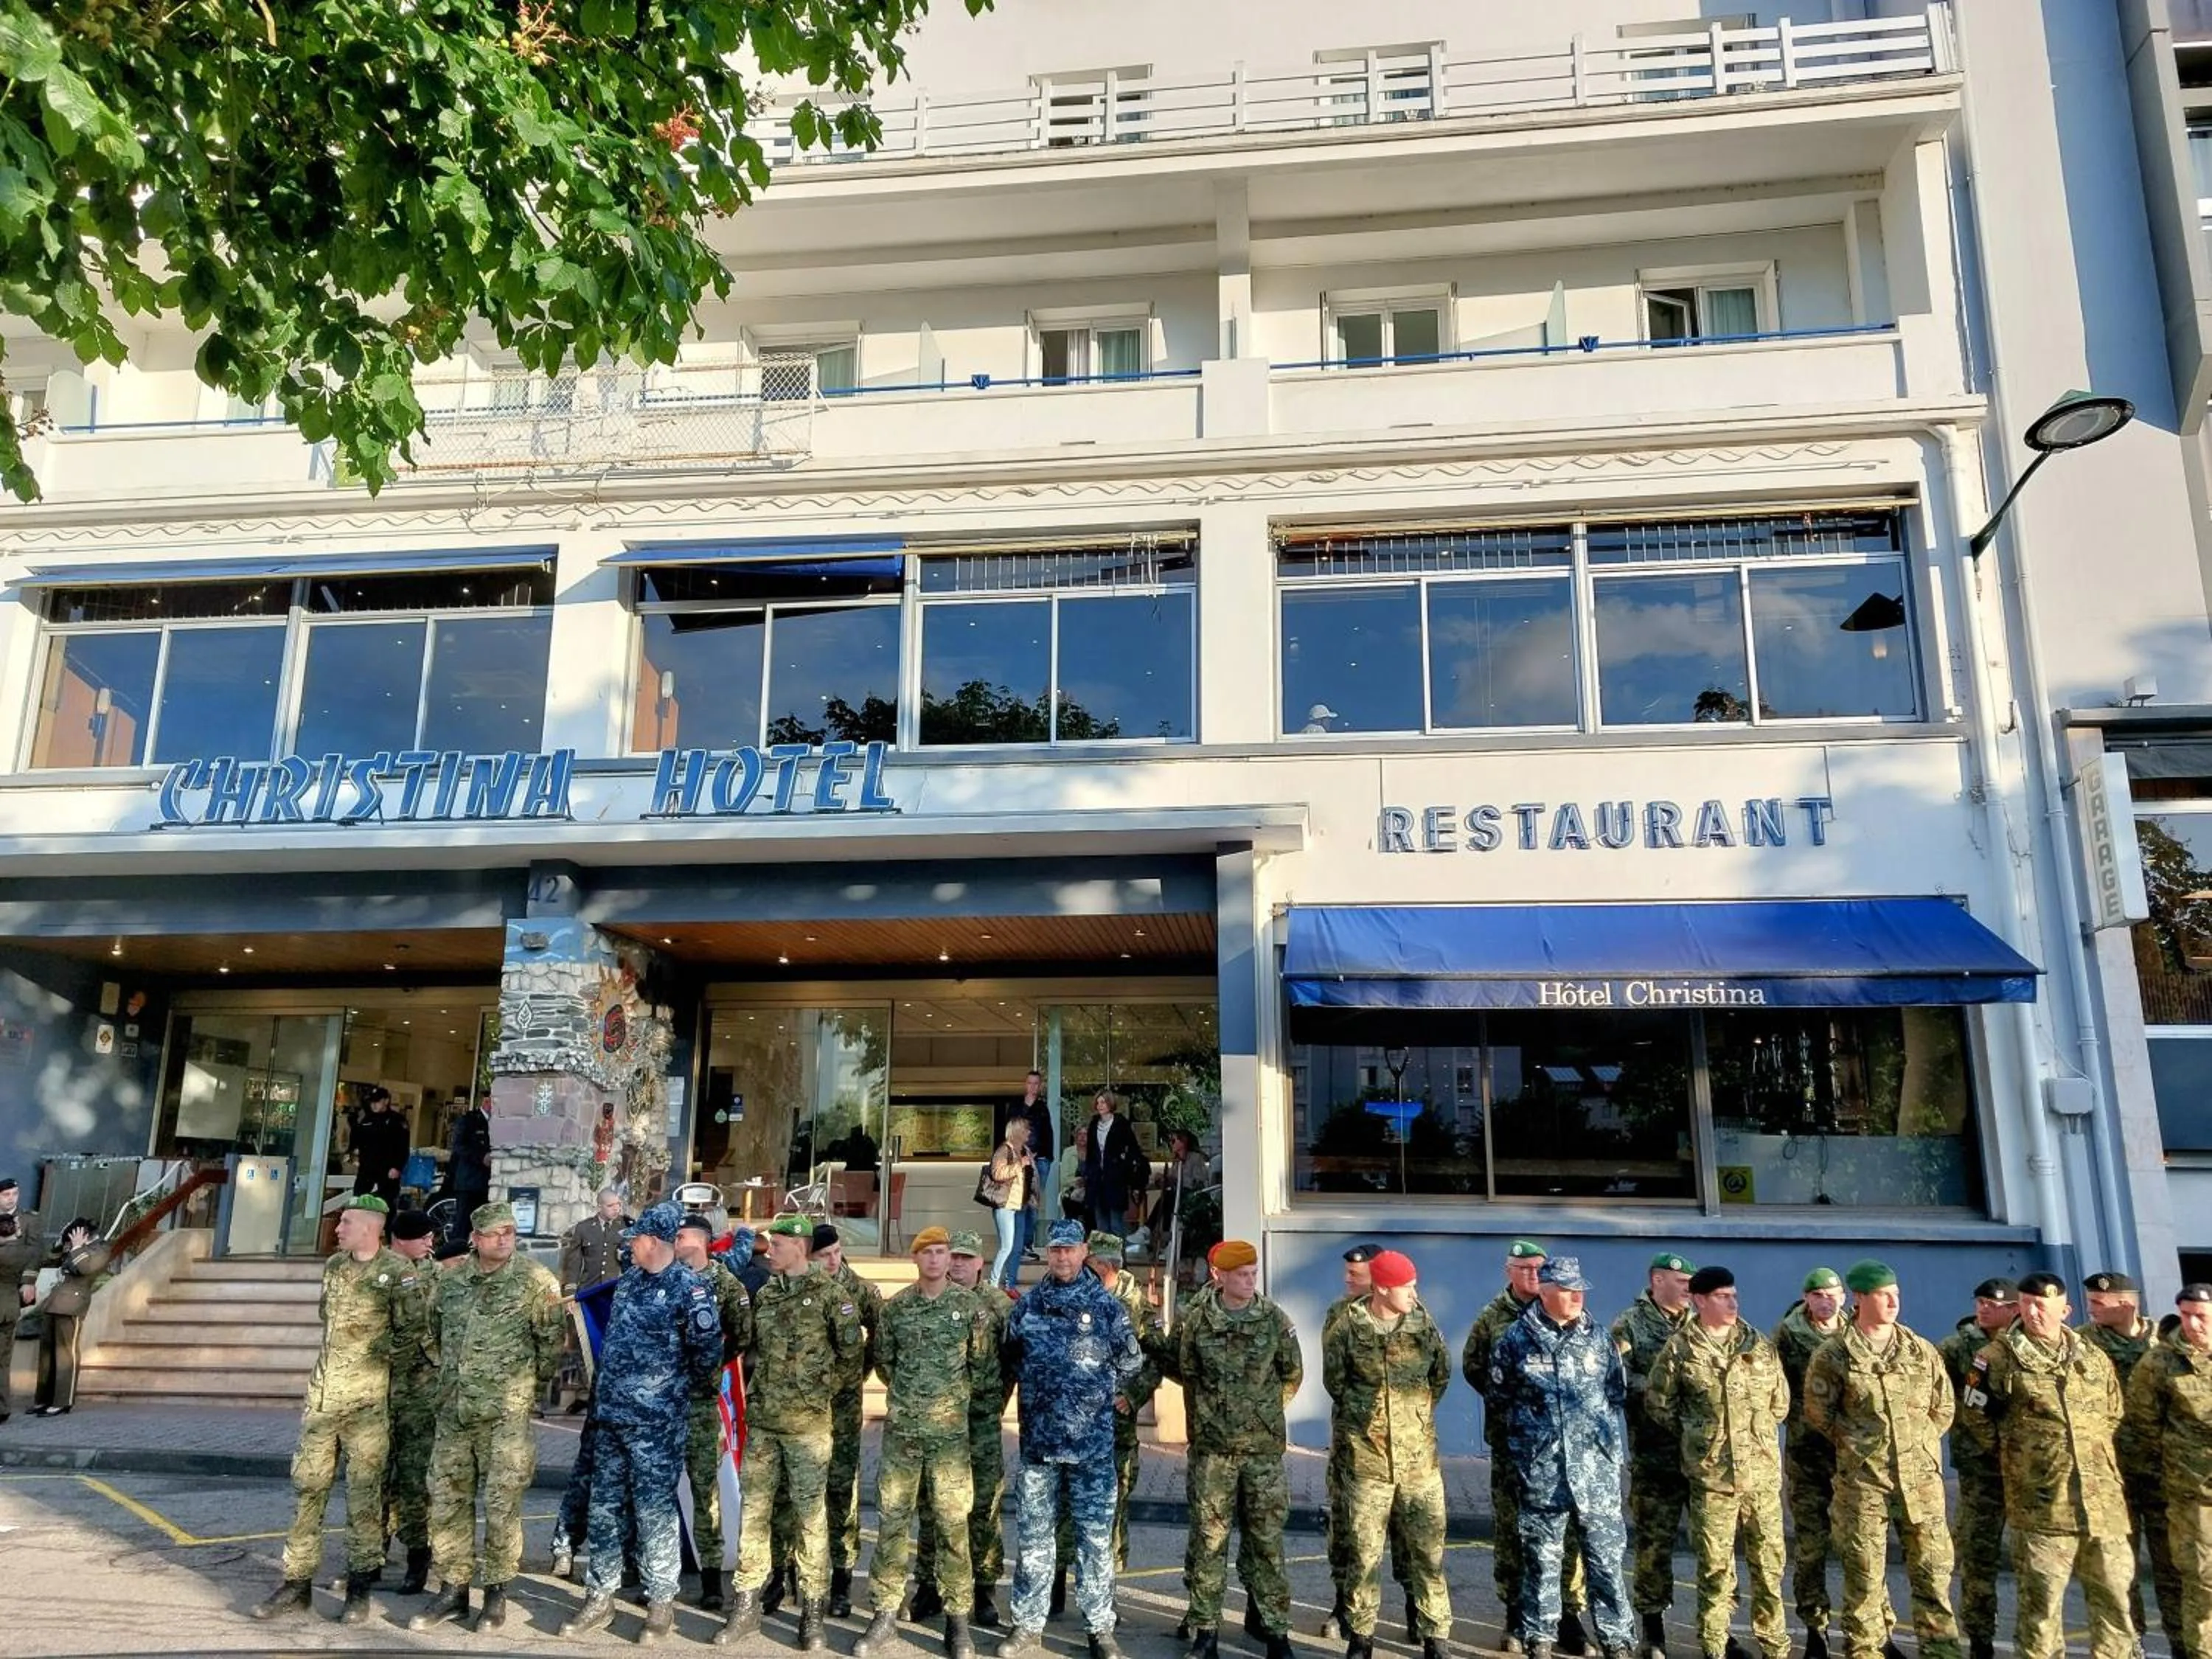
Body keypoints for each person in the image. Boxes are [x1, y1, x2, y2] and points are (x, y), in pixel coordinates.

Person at [251, 1193, 427, 1626]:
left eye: (345, 1222)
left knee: (365, 1501)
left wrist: (373, 1365)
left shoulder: (398, 1273)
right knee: (307, 1493)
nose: (337, 1229)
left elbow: (412, 1334)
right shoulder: (334, 1268)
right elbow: (326, 1320)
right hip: (323, 1402)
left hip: (367, 1406)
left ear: (370, 1227)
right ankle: (296, 1584)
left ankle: (360, 1587)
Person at [560, 1200, 725, 1644]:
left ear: (652, 1241)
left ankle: (660, 1603)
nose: (628, 1245)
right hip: (611, 1419)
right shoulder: (630, 1282)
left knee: (654, 1513)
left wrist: (667, 1397)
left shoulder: (689, 1290)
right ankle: (600, 1595)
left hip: (656, 1425)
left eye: (634, 1239)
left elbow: (708, 1357)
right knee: (605, 1508)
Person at [1958, 1271, 2135, 1659]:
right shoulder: (1995, 1358)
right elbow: (1974, 1415)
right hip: (2041, 1506)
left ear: (2065, 1310)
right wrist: (2019, 1456)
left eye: (2043, 1305)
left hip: (2102, 1505)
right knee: (2041, 1613)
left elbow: (2113, 1411)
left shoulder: (2091, 1356)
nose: (2034, 1312)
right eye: (2027, 1304)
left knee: (2115, 1606)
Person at [408, 1199, 566, 1634]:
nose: (504, 1239)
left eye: (510, 1232)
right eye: (494, 1233)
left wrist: (521, 1387)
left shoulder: (536, 1281)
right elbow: (431, 1333)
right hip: (455, 1413)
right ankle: (453, 1589)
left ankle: (496, 1592)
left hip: (505, 1417)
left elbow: (551, 1343)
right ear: (475, 1239)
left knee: (501, 1506)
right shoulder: (451, 1280)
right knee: (447, 1503)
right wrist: (456, 1376)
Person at [998, 1218, 1144, 1659]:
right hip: (1040, 1447)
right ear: (1048, 1254)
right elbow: (1010, 1360)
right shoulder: (1027, 1307)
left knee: (1096, 1542)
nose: (1062, 1257)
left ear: (1084, 1253)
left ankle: (1100, 1629)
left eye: (1070, 1249)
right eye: (1055, 1249)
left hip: (1093, 1449)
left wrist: (1097, 1388)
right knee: (1034, 1541)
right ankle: (1027, 1626)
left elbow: (1132, 1362)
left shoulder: (1106, 1307)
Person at [720, 1214, 865, 1652]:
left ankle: (813, 1614)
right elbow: (748, 1347)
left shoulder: (831, 1295)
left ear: (799, 1247)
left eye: (777, 1244)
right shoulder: (765, 1294)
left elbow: (851, 1356)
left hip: (808, 1429)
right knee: (755, 1517)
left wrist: (819, 1392)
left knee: (810, 1521)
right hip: (764, 1425)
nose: (771, 1250)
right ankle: (745, 1606)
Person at [1801, 1261, 1960, 1659]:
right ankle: (1865, 1650)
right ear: (1859, 1299)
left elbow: (1943, 1408)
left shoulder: (1920, 1350)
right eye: (1882, 1295)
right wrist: (1861, 1445)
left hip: (1921, 1484)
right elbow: (1820, 1413)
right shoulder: (1835, 1354)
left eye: (1897, 1294)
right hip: (1864, 1485)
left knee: (1933, 1576)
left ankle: (1940, 1651)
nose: (1892, 1302)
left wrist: (1917, 1445)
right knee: (1865, 1580)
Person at [855, 1225, 994, 1659]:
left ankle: (957, 1622)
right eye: (928, 1253)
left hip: (950, 1441)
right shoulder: (896, 1310)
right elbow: (884, 1364)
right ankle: (883, 1614)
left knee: (953, 1528)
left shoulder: (969, 1307)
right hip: (903, 1439)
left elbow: (982, 1367)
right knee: (893, 1526)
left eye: (942, 1252)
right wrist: (915, 1402)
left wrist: (948, 1405)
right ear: (915, 1259)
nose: (936, 1259)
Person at [1489, 1256, 1636, 1659]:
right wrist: (1532, 1445)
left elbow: (1615, 1393)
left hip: (1595, 1474)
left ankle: (1618, 1638)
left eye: (1580, 1289)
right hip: (1544, 1472)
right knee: (1542, 1559)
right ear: (1546, 1291)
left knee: (1606, 1560)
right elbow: (1500, 1398)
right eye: (1567, 1289)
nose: (1576, 1297)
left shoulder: (1598, 1338)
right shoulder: (1516, 1340)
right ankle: (1539, 1637)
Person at [1646, 1265, 1789, 1659]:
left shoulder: (1758, 1345)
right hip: (1713, 1479)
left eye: (1734, 1296)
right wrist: (1701, 1437)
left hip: (1760, 1476)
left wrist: (1753, 1438)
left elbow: (1780, 1403)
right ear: (1700, 1300)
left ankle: (1775, 1647)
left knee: (1770, 1567)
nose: (1732, 1303)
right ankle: (1714, 1646)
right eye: (1723, 1297)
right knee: (1715, 1570)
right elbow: (1660, 1404)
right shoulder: (1680, 1349)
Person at [1323, 1247, 1453, 1659]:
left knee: (1428, 1555)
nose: (1414, 1294)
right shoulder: (1348, 1327)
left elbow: (1440, 1375)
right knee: (1364, 1555)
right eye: (1406, 1287)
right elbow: (1336, 1382)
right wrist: (1373, 1421)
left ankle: (1436, 1637)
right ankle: (1361, 1639)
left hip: (1419, 1464)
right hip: (1367, 1462)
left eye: (1415, 1286)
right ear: (1382, 1289)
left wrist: (1410, 1419)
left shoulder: (1422, 1323)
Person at [1175, 1237, 1301, 1659]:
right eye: (1242, 1275)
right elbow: (1188, 1371)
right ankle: (1206, 1630)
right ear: (1221, 1277)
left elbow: (1292, 1373)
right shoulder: (1198, 1322)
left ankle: (1276, 1632)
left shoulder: (1273, 1319)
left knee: (1266, 1542)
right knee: (1210, 1543)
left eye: (1253, 1274)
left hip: (1262, 1455)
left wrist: (1263, 1413)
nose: (1250, 1281)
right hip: (1214, 1453)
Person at [1465, 1239, 1590, 1656]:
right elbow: (1475, 1369)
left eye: (1538, 1268)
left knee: (1567, 1533)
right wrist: (1518, 1408)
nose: (1532, 1276)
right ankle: (1517, 1614)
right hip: (1514, 1445)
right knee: (1514, 1530)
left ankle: (1569, 1615)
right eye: (1523, 1269)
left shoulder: (1571, 1312)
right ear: (1509, 1272)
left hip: (1563, 1447)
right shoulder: (1491, 1318)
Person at [916, 1230, 1018, 1628]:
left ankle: (983, 1589)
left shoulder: (999, 1307)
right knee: (931, 1505)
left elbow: (1014, 1358)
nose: (957, 1264)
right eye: (952, 1257)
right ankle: (928, 1585)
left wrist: (995, 1401)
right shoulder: (928, 1297)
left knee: (983, 1508)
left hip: (981, 1424)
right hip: (937, 1424)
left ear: (981, 1264)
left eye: (965, 1258)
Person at [2079, 1268, 2182, 1654]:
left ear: (2126, 1304)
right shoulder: (2083, 1345)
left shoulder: (2165, 1341)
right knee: (2118, 1572)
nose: (2091, 1309)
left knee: (2174, 1569)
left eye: (2099, 1303)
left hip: (2164, 1474)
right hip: (2111, 1476)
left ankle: (2184, 1642)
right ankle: (2129, 1643)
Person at [1052, 1230, 1158, 1594]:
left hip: (1115, 1428)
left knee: (1111, 1510)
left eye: (1089, 1262)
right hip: (1074, 1424)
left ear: (1102, 1265)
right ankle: (1057, 1584)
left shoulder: (1138, 1308)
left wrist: (1133, 1393)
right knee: (1064, 1503)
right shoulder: (1073, 1295)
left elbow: (1156, 1358)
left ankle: (1103, 1589)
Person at [2121, 1281, 2212, 1659]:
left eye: (2202, 1317)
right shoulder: (2160, 1363)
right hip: (2192, 1496)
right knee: (2201, 1582)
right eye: (2187, 1316)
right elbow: (2142, 1427)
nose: (2193, 1325)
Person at [1613, 1252, 1695, 1659]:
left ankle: (1719, 1630)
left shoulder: (1700, 1324)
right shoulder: (1630, 1323)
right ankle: (1653, 1630)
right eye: (1680, 1281)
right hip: (1653, 1454)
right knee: (1654, 1545)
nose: (1687, 1288)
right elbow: (1617, 1377)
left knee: (1715, 1548)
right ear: (1657, 1281)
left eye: (1690, 1282)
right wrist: (1664, 1387)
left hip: (1700, 1458)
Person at [1935, 1278, 2018, 1659]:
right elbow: (1942, 1396)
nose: (1985, 1309)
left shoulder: (2026, 1346)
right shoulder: (1957, 1348)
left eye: (1994, 1304)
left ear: (2013, 1308)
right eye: (1981, 1302)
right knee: (1977, 1553)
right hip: (1979, 1467)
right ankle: (1980, 1638)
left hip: (2028, 1469)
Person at [675, 1214, 754, 1613]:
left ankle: (711, 1581)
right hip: (663, 1405)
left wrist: (709, 1365)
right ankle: (659, 1575)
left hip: (703, 1404)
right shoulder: (665, 1279)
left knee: (706, 1493)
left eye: (682, 1234)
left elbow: (741, 1336)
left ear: (702, 1240)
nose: (676, 1239)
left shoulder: (725, 1284)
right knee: (655, 1493)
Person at [1771, 1267, 1850, 1659]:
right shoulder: (1788, 1334)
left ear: (1845, 1296)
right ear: (1806, 1298)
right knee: (1810, 1545)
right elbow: (1772, 1384)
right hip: (1806, 1454)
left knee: (1862, 1545)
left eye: (1833, 1293)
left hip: (1851, 1454)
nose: (1827, 1301)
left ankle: (1872, 1630)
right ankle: (1815, 1630)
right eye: (1818, 1294)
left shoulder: (1855, 1332)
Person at [813, 1222, 885, 1618]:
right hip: (802, 1408)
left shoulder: (860, 1290)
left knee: (842, 1491)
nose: (833, 1260)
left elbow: (881, 1335)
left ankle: (841, 1581)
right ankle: (791, 1576)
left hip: (842, 1407)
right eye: (824, 1255)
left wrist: (859, 1371)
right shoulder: (798, 1287)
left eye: (837, 1251)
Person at [383, 1208, 444, 1597]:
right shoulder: (378, 1272)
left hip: (421, 1391)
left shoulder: (438, 1275)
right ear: (401, 1238)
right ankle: (370, 1558)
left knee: (413, 1479)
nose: (430, 1241)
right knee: (373, 1481)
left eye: (432, 1236)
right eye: (423, 1236)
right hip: (379, 1388)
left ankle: (417, 1561)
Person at [29, 1215, 102, 1417]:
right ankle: (43, 1399)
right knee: (47, 1354)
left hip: (73, 1304)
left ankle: (63, 1401)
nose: (70, 1241)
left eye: (72, 1236)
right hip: (55, 1302)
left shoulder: (99, 1248)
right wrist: (61, 1243)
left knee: (65, 1354)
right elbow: (49, 1261)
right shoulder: (72, 1247)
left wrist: (78, 1247)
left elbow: (86, 1268)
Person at [1075, 1091, 1146, 1240]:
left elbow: (1133, 1149)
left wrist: (1125, 1169)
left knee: (1116, 1223)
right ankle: (1104, 1261)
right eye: (1098, 1102)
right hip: (1097, 1180)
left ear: (1110, 1104)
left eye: (1103, 1102)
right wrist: (1088, 1173)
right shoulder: (1094, 1124)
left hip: (1115, 1180)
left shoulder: (1121, 1124)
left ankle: (1119, 1259)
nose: (1100, 1105)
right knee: (1101, 1224)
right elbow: (1091, 1152)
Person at [1003, 1071, 1055, 1264]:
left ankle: (1027, 1244)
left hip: (1039, 1160)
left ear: (1040, 1086)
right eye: (1030, 1083)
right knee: (1018, 1202)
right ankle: (1015, 1244)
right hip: (1018, 1160)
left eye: (1036, 1084)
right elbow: (1009, 1132)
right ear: (1026, 1085)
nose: (1033, 1087)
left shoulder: (1042, 1108)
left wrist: (1043, 1156)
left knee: (1033, 1204)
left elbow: (1047, 1135)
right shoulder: (1016, 1106)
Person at [0, 1178, 38, 1425]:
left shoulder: (29, 1219)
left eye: (14, 1193)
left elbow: (35, 1251)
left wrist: (29, 1281)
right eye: (6, 1195)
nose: (11, 1198)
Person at [985, 1115, 1033, 1293]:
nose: (1029, 1132)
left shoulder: (1021, 1150)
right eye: (1025, 1129)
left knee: (1011, 1246)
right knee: (1007, 1247)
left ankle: (1002, 1283)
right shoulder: (1005, 1150)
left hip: (1015, 1205)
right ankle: (993, 1283)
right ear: (1017, 1132)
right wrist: (1020, 1164)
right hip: (1005, 1205)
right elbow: (997, 1173)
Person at [349, 1086, 409, 1211]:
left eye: (377, 1101)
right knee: (359, 1201)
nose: (374, 1105)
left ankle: (385, 1229)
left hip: (387, 1170)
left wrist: (397, 1167)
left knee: (386, 1205)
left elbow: (403, 1147)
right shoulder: (366, 1120)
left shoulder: (397, 1121)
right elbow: (358, 1142)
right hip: (367, 1169)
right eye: (372, 1102)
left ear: (386, 1101)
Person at [1147, 1127, 1210, 1243]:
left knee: (1168, 1197)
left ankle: (1151, 1229)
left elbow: (1198, 1182)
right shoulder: (1176, 1161)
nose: (1171, 1144)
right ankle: (1160, 1232)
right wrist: (1163, 1179)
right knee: (1167, 1197)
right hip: (1177, 1196)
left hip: (1192, 1196)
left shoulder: (1195, 1158)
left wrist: (1174, 1180)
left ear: (1183, 1142)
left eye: (1173, 1141)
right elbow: (1173, 1181)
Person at [560, 1187, 628, 1293]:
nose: (616, 1209)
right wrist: (570, 1292)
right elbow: (574, 1263)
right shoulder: (584, 1228)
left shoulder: (624, 1228)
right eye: (610, 1206)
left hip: (613, 1291)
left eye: (618, 1204)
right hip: (589, 1290)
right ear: (599, 1207)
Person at [447, 1093, 493, 1220]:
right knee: (463, 1222)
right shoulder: (469, 1120)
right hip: (469, 1182)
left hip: (487, 1183)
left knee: (481, 1225)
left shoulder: (496, 1122)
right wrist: (481, 1157)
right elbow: (458, 1146)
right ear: (487, 1102)